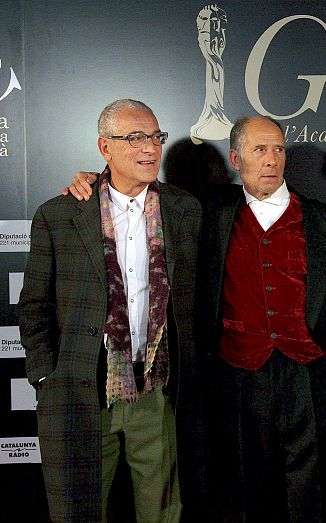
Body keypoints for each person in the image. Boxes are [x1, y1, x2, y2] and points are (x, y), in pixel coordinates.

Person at [67, 115, 326, 523]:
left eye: (278, 149)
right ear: (235, 159)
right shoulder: (206, 211)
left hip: (309, 375)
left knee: (312, 490)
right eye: (259, 150)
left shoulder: (325, 221)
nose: (271, 159)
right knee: (243, 489)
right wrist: (92, 181)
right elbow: (130, 193)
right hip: (236, 374)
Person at [18, 99, 205, 522]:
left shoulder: (185, 210)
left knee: (163, 512)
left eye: (155, 137)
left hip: (157, 392)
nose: (150, 148)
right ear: (105, 147)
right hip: (83, 388)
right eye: (134, 138)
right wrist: (47, 374)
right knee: (80, 510)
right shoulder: (60, 214)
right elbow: (32, 305)